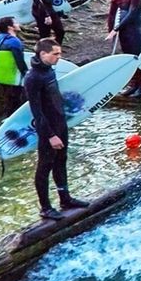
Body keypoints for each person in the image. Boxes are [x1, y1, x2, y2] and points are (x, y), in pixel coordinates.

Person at [23, 38, 91, 220]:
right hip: (48, 129)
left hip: (60, 124)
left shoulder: (49, 71)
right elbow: (37, 112)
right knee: (45, 166)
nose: (59, 57)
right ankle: (45, 208)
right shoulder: (33, 78)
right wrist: (51, 135)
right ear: (43, 54)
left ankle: (65, 198)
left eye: (59, 53)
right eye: (56, 54)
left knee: (61, 161)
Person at [106, 0, 141, 97]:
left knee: (136, 57)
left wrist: (116, 28)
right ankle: (133, 84)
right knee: (128, 57)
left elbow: (132, 14)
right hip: (124, 33)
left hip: (134, 31)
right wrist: (111, 30)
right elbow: (112, 15)